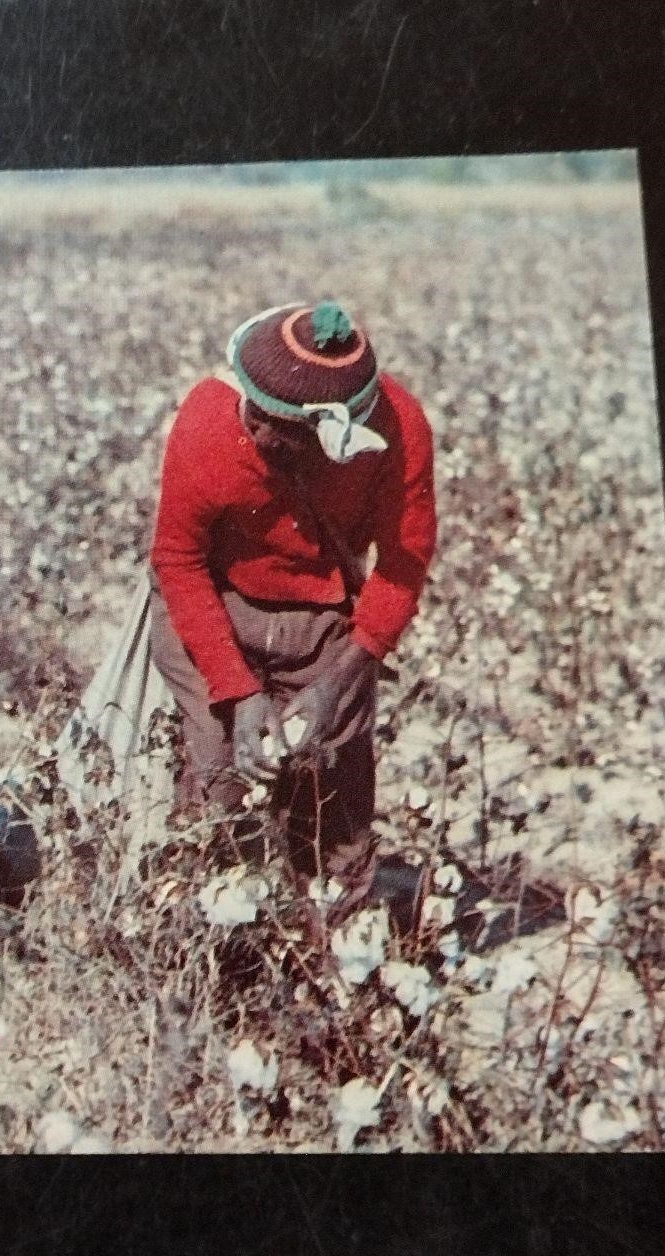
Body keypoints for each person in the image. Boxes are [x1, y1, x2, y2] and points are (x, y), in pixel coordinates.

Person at [148, 302, 436, 909]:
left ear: (332, 439)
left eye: (278, 427)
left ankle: (334, 943)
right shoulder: (207, 422)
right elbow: (178, 561)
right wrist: (239, 689)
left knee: (332, 794)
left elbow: (403, 564)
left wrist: (342, 678)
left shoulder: (399, 431)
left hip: (322, 612)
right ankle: (203, 942)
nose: (255, 432)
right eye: (254, 412)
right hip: (216, 601)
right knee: (218, 778)